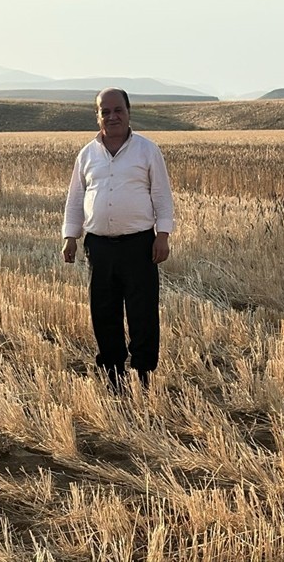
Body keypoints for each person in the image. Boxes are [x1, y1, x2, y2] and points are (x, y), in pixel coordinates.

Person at [61, 87, 174, 392]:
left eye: (118, 110)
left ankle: (144, 376)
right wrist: (70, 236)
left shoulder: (147, 150)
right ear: (97, 115)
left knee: (143, 313)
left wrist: (162, 235)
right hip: (98, 246)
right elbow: (75, 200)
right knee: (104, 312)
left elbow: (161, 196)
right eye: (105, 111)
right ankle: (113, 376)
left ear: (128, 112)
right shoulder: (87, 155)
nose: (112, 117)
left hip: (139, 245)